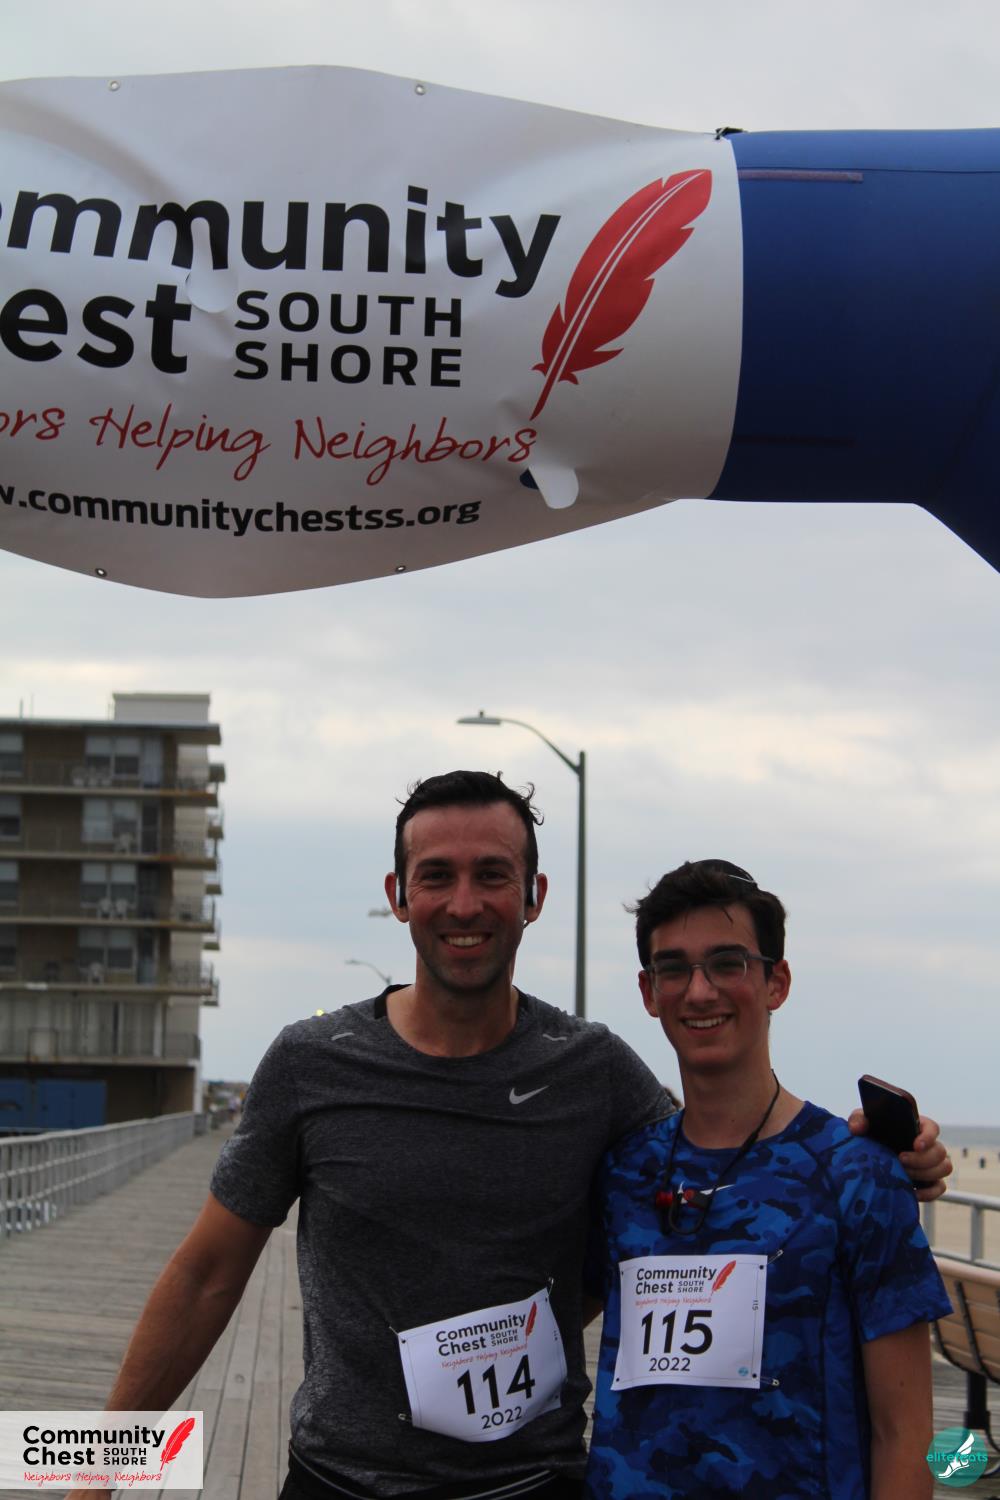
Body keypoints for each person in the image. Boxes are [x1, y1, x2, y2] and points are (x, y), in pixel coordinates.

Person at [84, 776, 950, 1500]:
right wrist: (98, 1470)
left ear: (533, 897)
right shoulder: (313, 1063)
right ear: (398, 896)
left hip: (534, 1485)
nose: (464, 903)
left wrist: (885, 1158)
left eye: (493, 875)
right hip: (341, 1482)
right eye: (437, 876)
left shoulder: (595, 1073)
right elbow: (205, 1276)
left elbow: (729, 1160)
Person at [584, 859, 951, 1500]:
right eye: (674, 968)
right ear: (649, 992)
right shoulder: (624, 1172)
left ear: (776, 982)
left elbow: (906, 1436)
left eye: (728, 963)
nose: (700, 992)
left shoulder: (856, 1175)